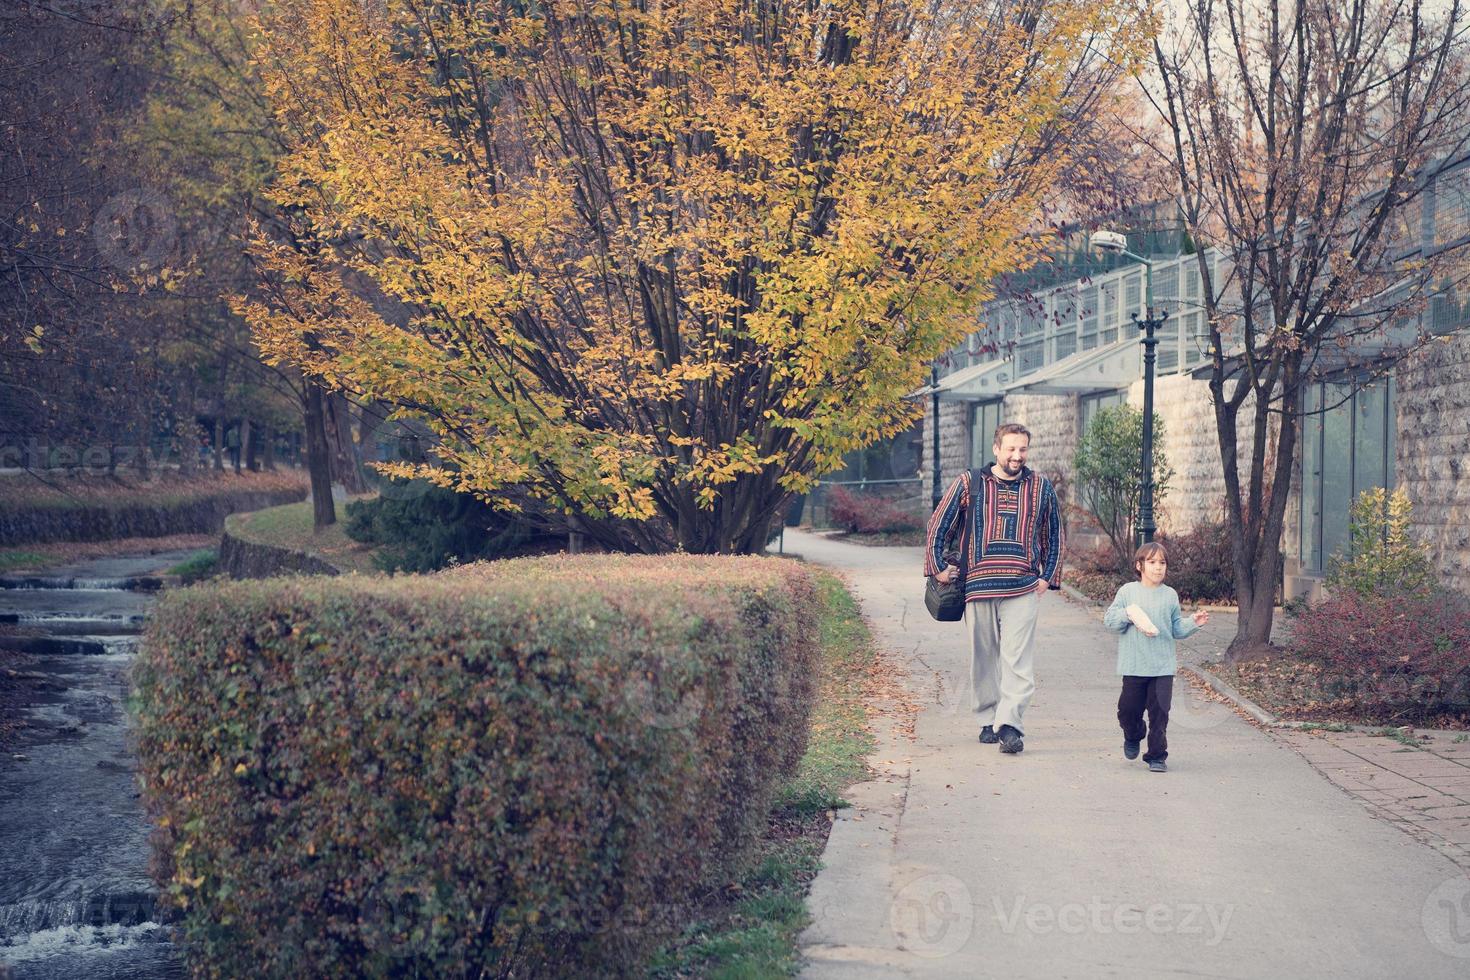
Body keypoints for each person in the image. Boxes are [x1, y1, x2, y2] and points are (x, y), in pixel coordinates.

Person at [925, 423, 1063, 755]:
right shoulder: (969, 483)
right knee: (983, 657)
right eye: (1011, 449)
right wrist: (938, 568)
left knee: (1018, 660)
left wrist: (1048, 575)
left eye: (1023, 449)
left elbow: (1055, 533)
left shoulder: (1041, 487)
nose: (1018, 456)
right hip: (978, 586)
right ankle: (988, 718)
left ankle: (1010, 725)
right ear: (996, 448)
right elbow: (937, 526)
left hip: (1022, 585)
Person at [1102, 542, 1210, 773]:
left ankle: (1157, 755)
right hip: (1134, 666)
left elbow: (1176, 629)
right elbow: (1110, 621)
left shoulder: (1169, 595)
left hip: (1162, 666)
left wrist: (1194, 623)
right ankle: (1133, 734)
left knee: (1160, 713)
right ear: (1139, 566)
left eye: (1162, 563)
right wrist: (1128, 614)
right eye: (1152, 562)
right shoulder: (1128, 592)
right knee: (1128, 710)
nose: (1158, 568)